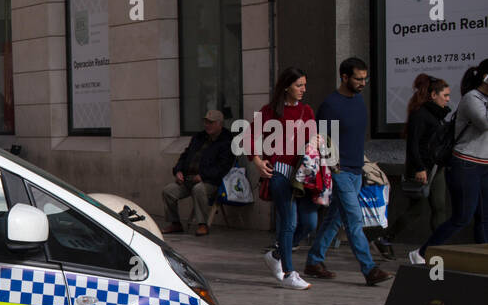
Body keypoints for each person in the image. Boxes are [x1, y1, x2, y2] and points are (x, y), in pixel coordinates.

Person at [303, 57, 392, 286]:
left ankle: (314, 260)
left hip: (356, 170)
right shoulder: (331, 104)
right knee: (354, 219)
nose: (363, 83)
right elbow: (320, 138)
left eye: (365, 78)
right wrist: (333, 166)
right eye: (358, 78)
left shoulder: (359, 100)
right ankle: (369, 269)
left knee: (335, 219)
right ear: (344, 77)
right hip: (339, 171)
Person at [251, 67, 318, 289]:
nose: (303, 90)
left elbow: (312, 139)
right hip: (279, 172)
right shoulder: (270, 111)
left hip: (303, 175)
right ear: (287, 86)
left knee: (310, 222)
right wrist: (258, 161)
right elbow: (249, 136)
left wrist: (315, 143)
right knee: (289, 221)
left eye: (305, 85)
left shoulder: (307, 111)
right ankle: (289, 273)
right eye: (299, 85)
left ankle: (277, 255)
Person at [416, 59, 488, 262]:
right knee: (462, 217)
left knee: (485, 218)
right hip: (466, 164)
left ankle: (483, 258)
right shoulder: (472, 98)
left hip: (485, 165)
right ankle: (422, 253)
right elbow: (484, 123)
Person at [385, 74, 451, 252]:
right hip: (422, 169)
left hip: (437, 168)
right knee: (417, 209)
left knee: (440, 207)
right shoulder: (420, 114)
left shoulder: (437, 115)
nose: (448, 99)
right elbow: (413, 144)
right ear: (433, 95)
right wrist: (420, 168)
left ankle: (438, 247)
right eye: (445, 95)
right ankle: (386, 238)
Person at [162, 110, 235, 236]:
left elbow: (223, 167)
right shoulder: (199, 137)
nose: (207, 125)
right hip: (188, 178)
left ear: (219, 124)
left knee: (198, 189)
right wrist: (178, 170)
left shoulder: (226, 141)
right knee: (168, 191)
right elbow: (184, 155)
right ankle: (175, 223)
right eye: (206, 122)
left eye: (211, 123)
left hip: (210, 181)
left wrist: (204, 176)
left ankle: (202, 224)